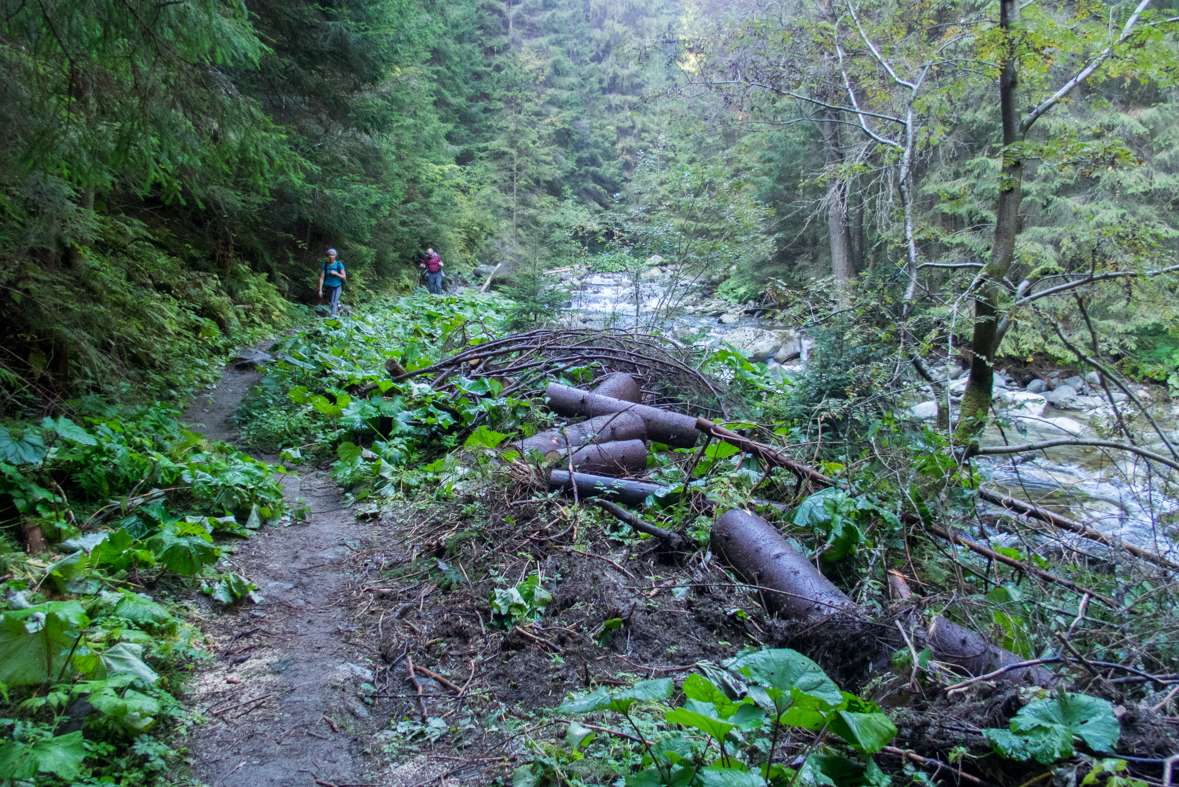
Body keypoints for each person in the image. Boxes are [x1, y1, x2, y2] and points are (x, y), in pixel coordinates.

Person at [318, 248, 347, 316]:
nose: (331, 256)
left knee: (333, 302)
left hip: (337, 286)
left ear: (335, 256)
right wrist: (320, 290)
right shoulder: (325, 265)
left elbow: (344, 277)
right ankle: (339, 310)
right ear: (328, 256)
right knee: (331, 303)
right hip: (328, 287)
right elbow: (321, 278)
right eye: (329, 255)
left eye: (332, 255)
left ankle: (333, 320)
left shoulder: (339, 265)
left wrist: (335, 273)